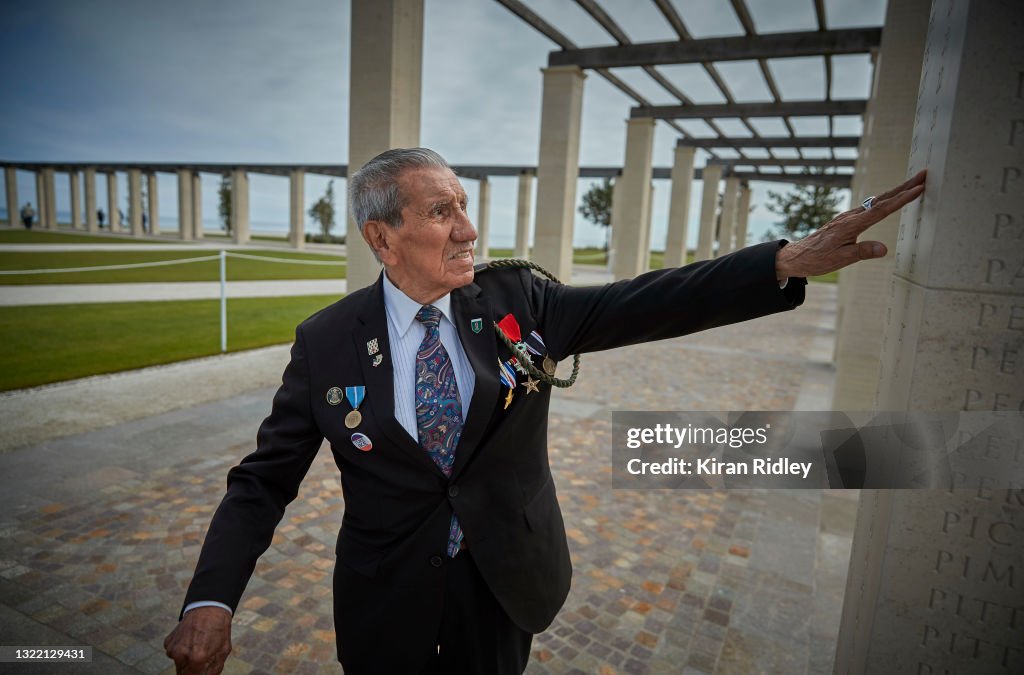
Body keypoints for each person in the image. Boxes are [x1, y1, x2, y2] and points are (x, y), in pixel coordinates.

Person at [164, 148, 926, 674]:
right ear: (381, 237)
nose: (467, 227)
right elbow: (262, 480)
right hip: (384, 597)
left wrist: (782, 261)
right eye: (440, 212)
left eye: (465, 205)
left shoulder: (516, 298)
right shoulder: (326, 342)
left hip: (503, 583)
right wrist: (212, 595)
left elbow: (642, 301)